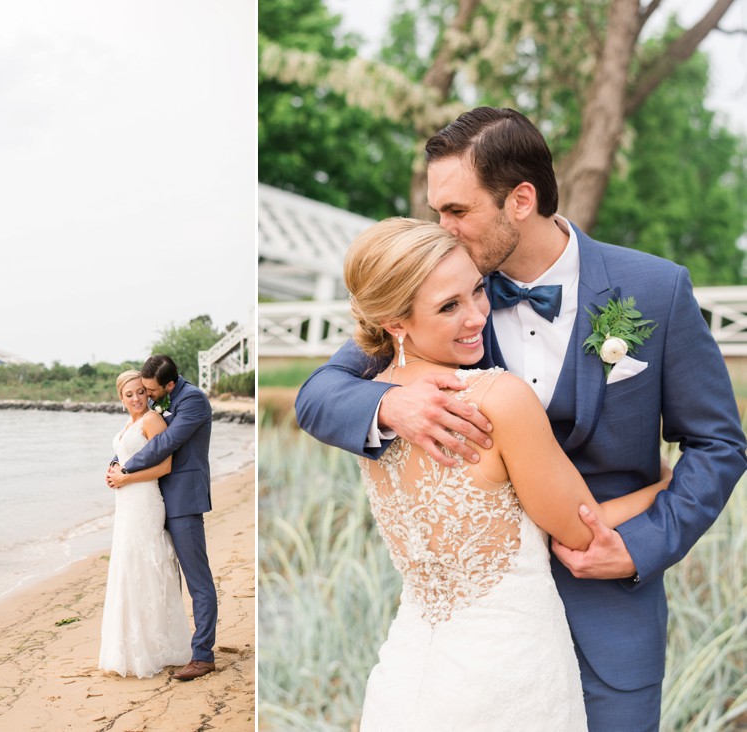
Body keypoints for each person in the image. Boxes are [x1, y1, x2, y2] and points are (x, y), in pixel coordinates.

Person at [295, 107, 746, 729]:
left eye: (456, 211)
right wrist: (388, 403)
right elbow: (318, 394)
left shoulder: (655, 289)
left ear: (520, 200)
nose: (444, 229)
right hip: (485, 638)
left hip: (611, 611)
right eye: (437, 213)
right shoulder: (438, 294)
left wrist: (642, 544)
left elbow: (718, 443)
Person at [341, 217, 670, 730]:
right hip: (506, 674)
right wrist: (663, 486)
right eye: (449, 307)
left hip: (407, 675)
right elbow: (581, 528)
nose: (476, 316)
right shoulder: (498, 398)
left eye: (476, 291)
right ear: (396, 322)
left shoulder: (376, 407)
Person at [106, 354, 218, 681]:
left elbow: (165, 443)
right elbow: (138, 436)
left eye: (150, 390)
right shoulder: (160, 403)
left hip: (182, 499)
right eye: (141, 390)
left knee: (197, 579)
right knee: (162, 575)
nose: (146, 395)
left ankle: (203, 655)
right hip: (153, 500)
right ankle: (167, 644)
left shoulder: (193, 400)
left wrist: (125, 470)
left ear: (169, 384)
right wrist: (115, 461)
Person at [98, 370, 192, 678]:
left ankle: (154, 647)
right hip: (127, 504)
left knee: (145, 566)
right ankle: (129, 645)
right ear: (120, 398)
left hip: (145, 501)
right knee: (128, 566)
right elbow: (126, 454)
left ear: (148, 392)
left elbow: (165, 465)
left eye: (141, 392)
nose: (137, 398)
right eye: (130, 394)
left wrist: (125, 477)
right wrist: (114, 467)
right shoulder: (129, 423)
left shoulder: (152, 420)